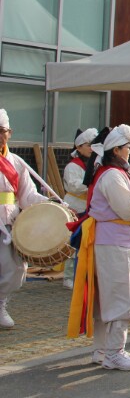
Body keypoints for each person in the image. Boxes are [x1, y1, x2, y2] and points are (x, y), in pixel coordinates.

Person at [68, 124, 130, 370]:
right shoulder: (112, 174)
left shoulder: (113, 172)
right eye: (128, 147)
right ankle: (113, 352)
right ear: (117, 149)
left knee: (107, 298)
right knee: (121, 297)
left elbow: (129, 204)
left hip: (113, 239)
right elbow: (128, 209)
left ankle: (103, 350)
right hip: (116, 241)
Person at [0, 108, 47, 329]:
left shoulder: (16, 162)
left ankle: (0, 304)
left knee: (17, 271)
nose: (0, 136)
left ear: (10, 133)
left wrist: (48, 204)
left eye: (2, 131)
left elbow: (27, 195)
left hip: (9, 223)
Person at [62, 127, 98, 289]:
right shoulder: (73, 166)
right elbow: (74, 186)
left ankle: (84, 273)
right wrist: (93, 183)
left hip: (90, 206)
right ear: (78, 147)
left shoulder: (96, 163)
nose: (92, 148)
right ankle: (68, 276)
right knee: (72, 243)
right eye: (89, 145)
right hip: (76, 205)